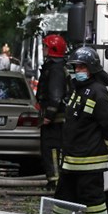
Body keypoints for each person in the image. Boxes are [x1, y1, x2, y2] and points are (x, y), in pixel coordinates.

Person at [44, 46, 108, 214]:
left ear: (92, 68)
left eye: (82, 66)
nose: (77, 69)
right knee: (63, 204)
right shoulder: (77, 89)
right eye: (76, 66)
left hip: (90, 163)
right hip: (70, 161)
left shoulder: (98, 91)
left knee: (94, 204)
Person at [36, 35, 69, 185]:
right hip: (59, 117)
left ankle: (56, 182)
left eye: (45, 46)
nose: (43, 49)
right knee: (53, 148)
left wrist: (48, 115)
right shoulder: (56, 66)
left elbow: (55, 96)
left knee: (51, 149)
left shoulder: (55, 69)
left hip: (55, 119)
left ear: (52, 49)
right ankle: (55, 180)